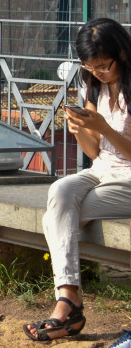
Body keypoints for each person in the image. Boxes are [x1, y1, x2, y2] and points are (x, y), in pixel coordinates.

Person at [23, 18, 131, 341]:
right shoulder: (93, 84)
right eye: (90, 66)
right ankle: (69, 297)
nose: (97, 72)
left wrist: (105, 128)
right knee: (60, 190)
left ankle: (68, 308)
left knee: (55, 218)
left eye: (103, 66)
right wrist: (81, 130)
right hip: (103, 170)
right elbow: (95, 152)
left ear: (122, 54)